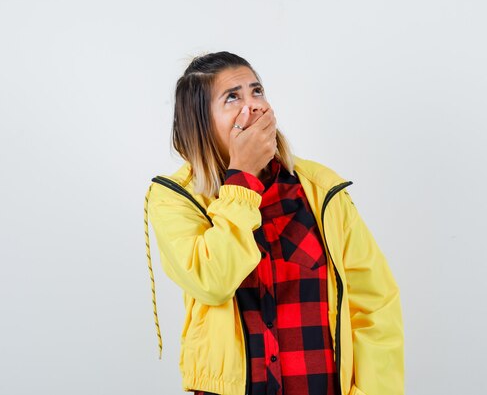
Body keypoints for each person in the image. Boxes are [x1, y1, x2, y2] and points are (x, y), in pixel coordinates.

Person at [143, 51, 404, 395]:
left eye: (257, 91)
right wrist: (242, 178)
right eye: (232, 97)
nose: (253, 106)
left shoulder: (320, 189)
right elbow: (211, 281)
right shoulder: (176, 198)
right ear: (201, 122)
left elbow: (374, 304)